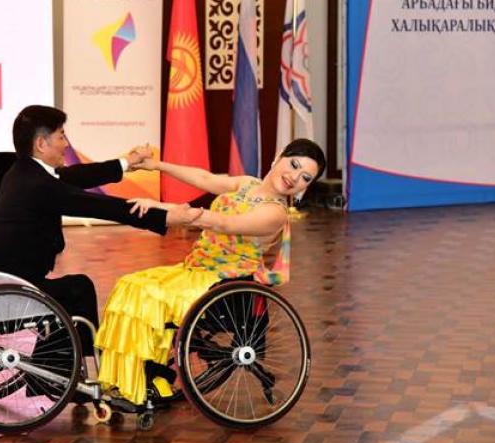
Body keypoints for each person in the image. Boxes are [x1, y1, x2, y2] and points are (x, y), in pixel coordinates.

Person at [94, 138, 326, 406]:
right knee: (130, 284)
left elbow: (226, 224)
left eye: (305, 177)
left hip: (222, 282)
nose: (294, 177)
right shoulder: (247, 184)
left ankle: (152, 380)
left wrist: (166, 209)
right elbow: (204, 178)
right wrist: (156, 165)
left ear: (305, 188)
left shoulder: (276, 213)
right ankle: (131, 379)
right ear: (279, 157)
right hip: (195, 268)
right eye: (294, 165)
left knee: (148, 294)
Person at [0, 105, 201, 371]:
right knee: (78, 290)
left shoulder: (23, 172)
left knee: (73, 290)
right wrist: (165, 216)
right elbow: (99, 206)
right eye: (61, 136)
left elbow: (76, 176)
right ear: (41, 144)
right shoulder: (38, 184)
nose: (66, 144)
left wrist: (128, 162)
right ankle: (64, 371)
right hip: (11, 288)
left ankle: (57, 372)